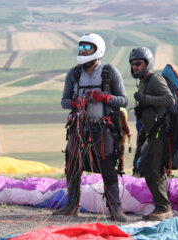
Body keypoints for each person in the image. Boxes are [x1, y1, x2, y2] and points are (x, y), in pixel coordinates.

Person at [56, 33, 128, 222]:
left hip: (103, 128)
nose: (83, 51)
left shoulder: (110, 72)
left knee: (108, 168)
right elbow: (64, 102)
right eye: (81, 47)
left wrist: (106, 98)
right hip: (78, 128)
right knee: (72, 165)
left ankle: (115, 209)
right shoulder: (74, 73)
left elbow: (124, 100)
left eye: (88, 48)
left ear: (98, 50)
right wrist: (74, 103)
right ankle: (72, 207)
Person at [129, 47, 175, 221]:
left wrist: (146, 100)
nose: (135, 67)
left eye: (138, 63)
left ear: (147, 63)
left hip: (161, 133)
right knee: (154, 169)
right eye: (133, 64)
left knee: (150, 169)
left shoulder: (154, 79)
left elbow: (170, 99)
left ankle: (163, 208)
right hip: (152, 132)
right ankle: (162, 207)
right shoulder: (143, 82)